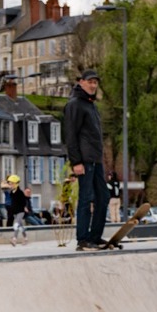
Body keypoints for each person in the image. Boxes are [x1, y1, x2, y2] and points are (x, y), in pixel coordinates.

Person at [63, 69, 108, 250]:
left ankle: (95, 236)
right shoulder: (75, 104)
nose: (93, 85)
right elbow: (71, 135)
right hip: (84, 160)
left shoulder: (91, 105)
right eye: (90, 82)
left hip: (95, 159)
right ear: (81, 82)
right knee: (86, 198)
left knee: (103, 197)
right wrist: (76, 162)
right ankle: (82, 239)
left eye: (96, 82)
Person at [5, 173, 29, 245]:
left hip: (20, 211)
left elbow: (24, 201)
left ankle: (14, 239)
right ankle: (25, 238)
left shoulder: (20, 193)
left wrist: (24, 207)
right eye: (10, 184)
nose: (10, 185)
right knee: (20, 226)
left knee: (16, 225)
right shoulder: (12, 192)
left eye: (11, 184)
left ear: (15, 184)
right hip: (15, 211)